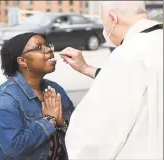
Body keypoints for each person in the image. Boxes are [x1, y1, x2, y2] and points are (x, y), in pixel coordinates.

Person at [60, 1, 163, 159]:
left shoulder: (127, 54)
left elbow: (96, 135)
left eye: (103, 22)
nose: (104, 29)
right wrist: (85, 68)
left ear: (113, 18)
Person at [0, 33, 74, 160]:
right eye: (39, 48)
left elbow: (78, 128)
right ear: (22, 61)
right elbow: (14, 147)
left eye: (47, 45)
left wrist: (61, 123)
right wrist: (49, 120)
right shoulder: (7, 95)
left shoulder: (54, 89)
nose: (49, 49)